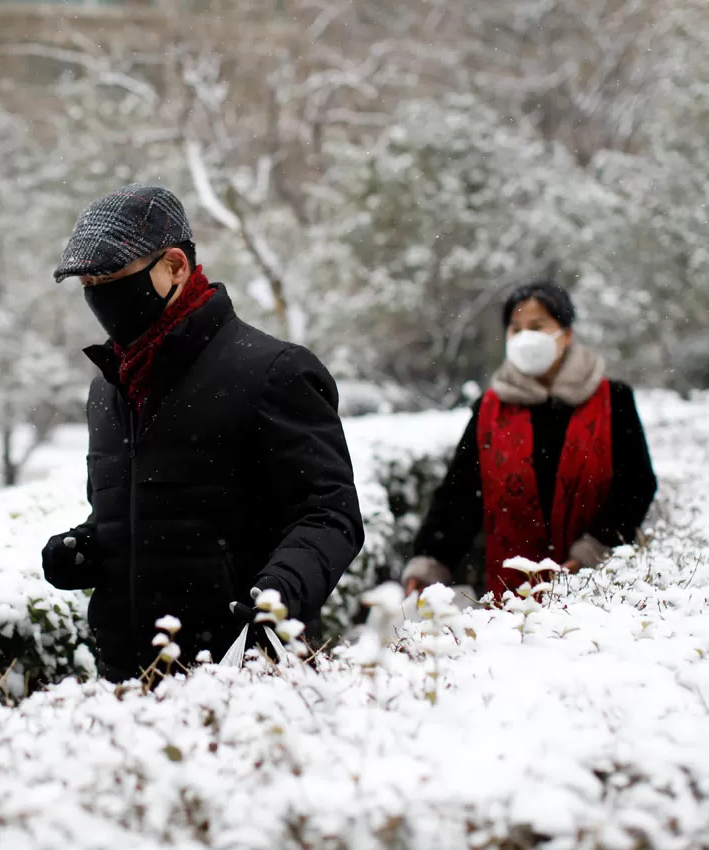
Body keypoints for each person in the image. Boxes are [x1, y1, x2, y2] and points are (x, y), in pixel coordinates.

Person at [41, 184, 364, 681]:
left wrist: (278, 596)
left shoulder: (274, 371)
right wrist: (88, 545)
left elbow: (329, 513)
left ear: (174, 266)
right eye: (88, 283)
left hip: (241, 675)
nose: (98, 295)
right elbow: (150, 509)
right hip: (123, 682)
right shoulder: (107, 390)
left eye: (111, 277)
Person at [404, 280, 656, 599]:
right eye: (516, 328)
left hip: (596, 587)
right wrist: (431, 561)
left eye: (537, 326)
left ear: (566, 334)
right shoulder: (491, 408)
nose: (526, 337)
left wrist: (594, 549)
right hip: (512, 594)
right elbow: (461, 494)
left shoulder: (612, 400)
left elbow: (636, 484)